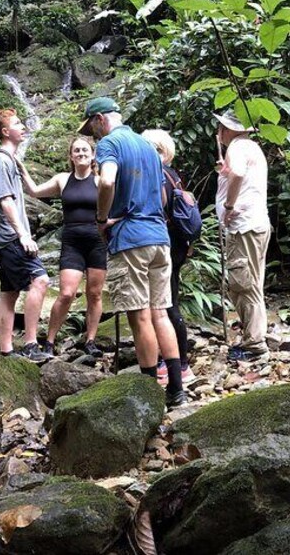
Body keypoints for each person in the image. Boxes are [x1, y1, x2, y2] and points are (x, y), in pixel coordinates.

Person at [80, 97, 188, 406]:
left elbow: (107, 181)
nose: (92, 135)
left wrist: (102, 219)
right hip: (159, 239)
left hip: (131, 240)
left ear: (101, 119)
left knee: (140, 317)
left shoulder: (110, 144)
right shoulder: (147, 148)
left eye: (91, 128)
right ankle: (176, 390)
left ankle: (149, 393)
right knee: (160, 313)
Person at [16, 138, 106, 358]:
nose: (81, 153)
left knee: (94, 294)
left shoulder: (101, 181)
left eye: (85, 150)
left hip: (97, 241)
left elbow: (114, 206)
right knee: (66, 293)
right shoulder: (62, 179)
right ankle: (49, 340)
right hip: (72, 242)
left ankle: (90, 340)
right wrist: (21, 167)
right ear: (71, 156)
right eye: (76, 150)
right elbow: (35, 192)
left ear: (93, 155)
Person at [0, 108, 52, 361]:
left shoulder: (9, 160)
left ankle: (6, 350)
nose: (23, 126)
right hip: (10, 236)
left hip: (4, 237)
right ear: (5, 132)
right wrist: (23, 234)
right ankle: (31, 344)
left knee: (9, 292)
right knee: (40, 281)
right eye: (17, 123)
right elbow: (5, 201)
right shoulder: (0, 161)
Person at [214, 110, 271, 361]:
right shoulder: (252, 147)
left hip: (243, 226)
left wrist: (228, 206)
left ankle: (254, 344)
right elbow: (238, 174)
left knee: (244, 285)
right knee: (250, 283)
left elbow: (238, 173)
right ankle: (254, 336)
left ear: (227, 130)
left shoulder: (237, 146)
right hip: (254, 224)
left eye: (220, 128)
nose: (218, 133)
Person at [141, 129, 195, 386]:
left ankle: (180, 364)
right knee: (168, 302)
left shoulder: (159, 175)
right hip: (177, 244)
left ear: (160, 151)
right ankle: (175, 360)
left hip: (166, 244)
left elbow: (160, 206)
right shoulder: (173, 174)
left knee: (166, 304)